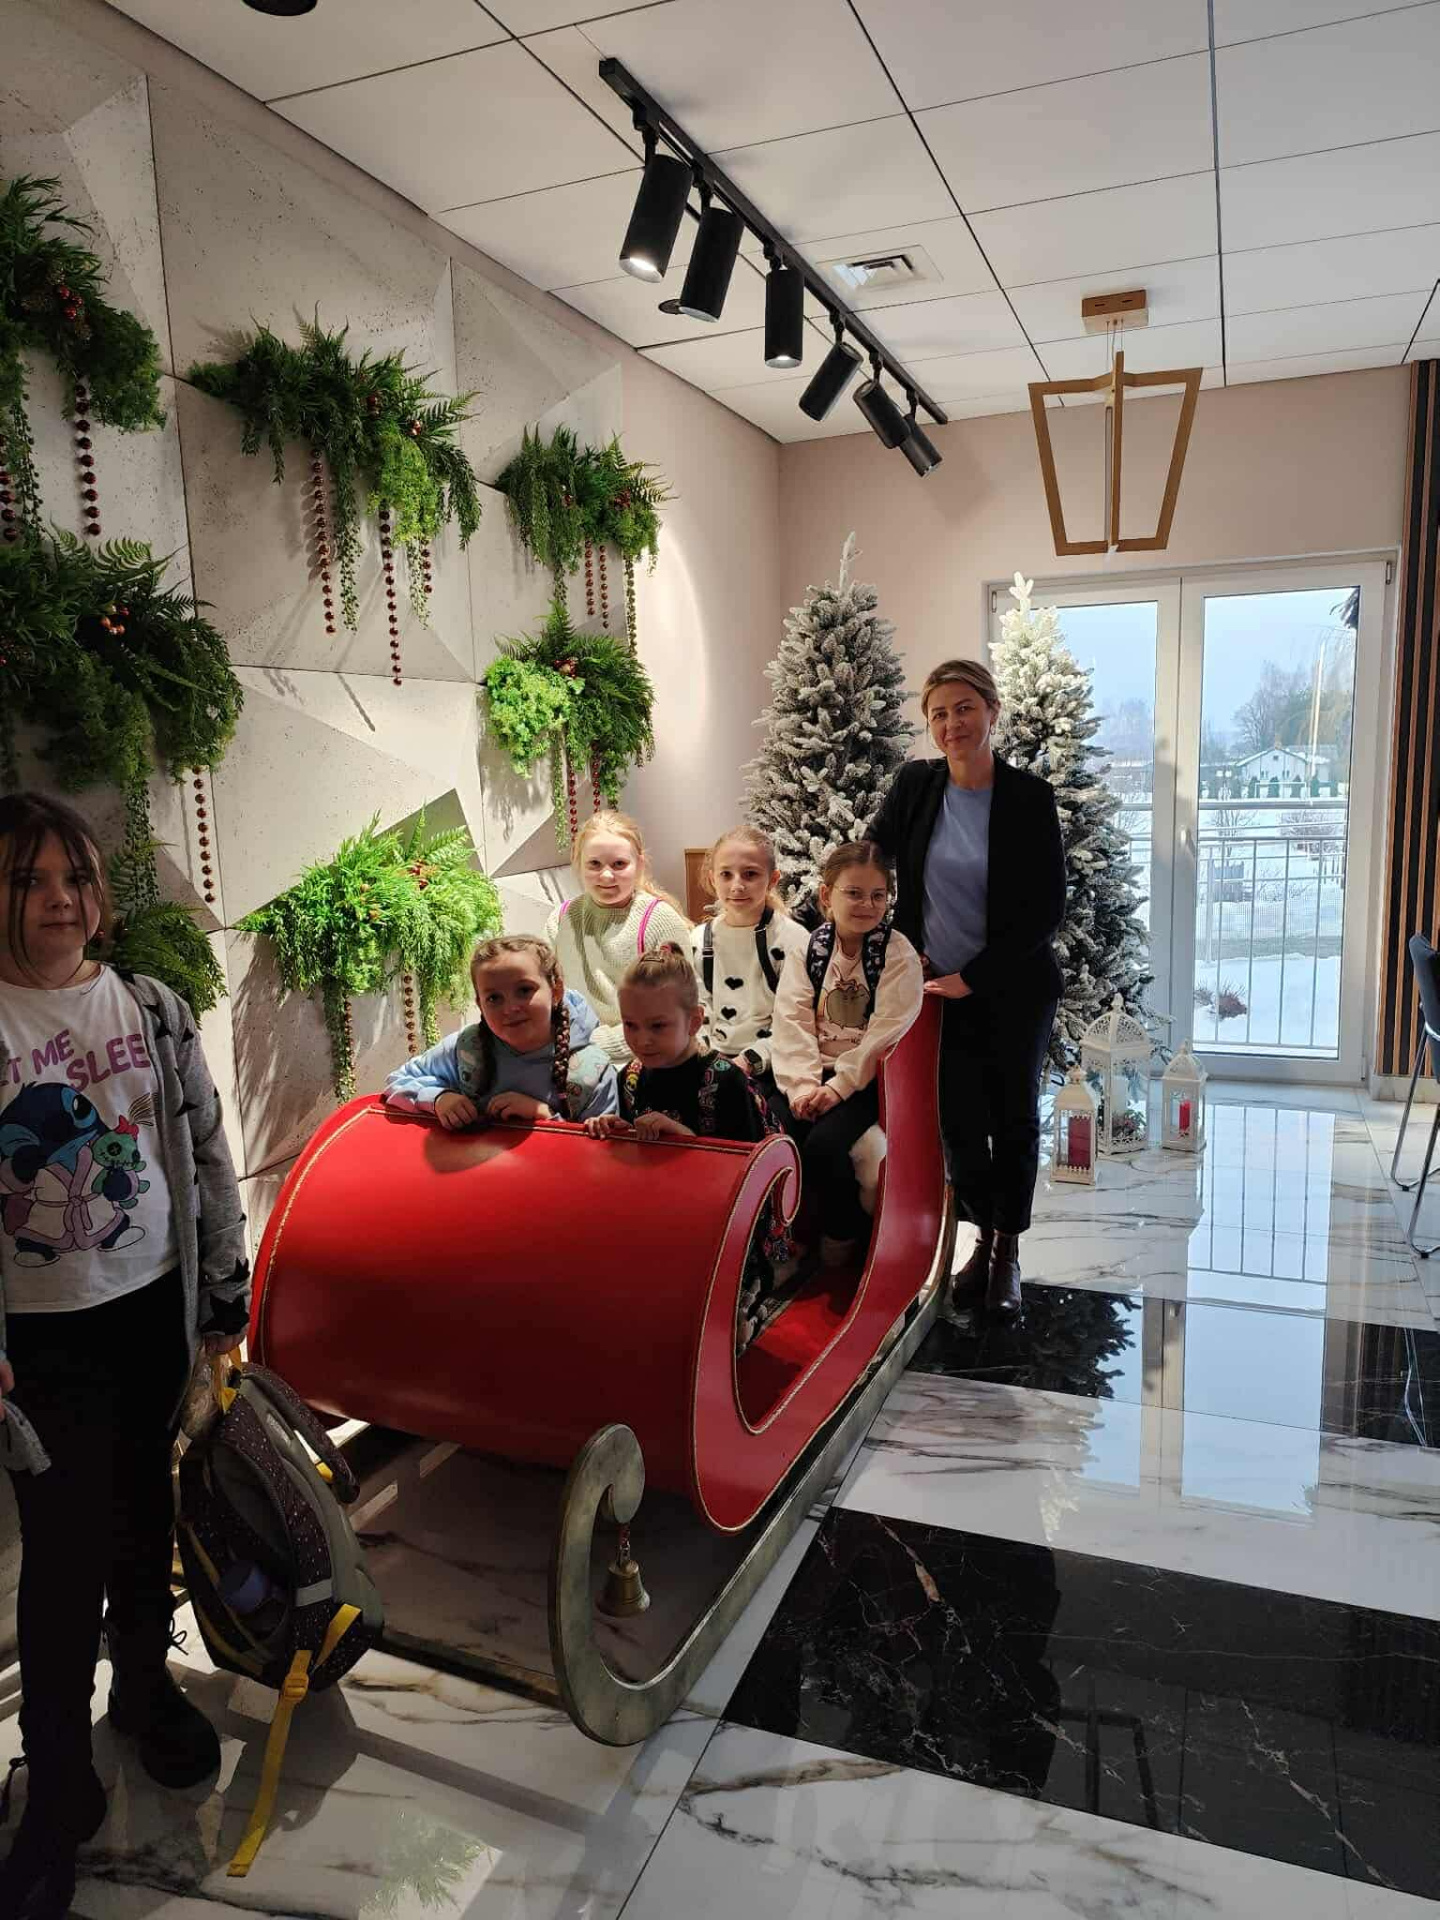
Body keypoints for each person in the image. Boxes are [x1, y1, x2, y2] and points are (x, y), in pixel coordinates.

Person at [0, 792, 249, 1920]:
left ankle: (143, 1692)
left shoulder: (150, 1006)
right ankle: (55, 1773)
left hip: (148, 1310)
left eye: (75, 879)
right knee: (59, 1557)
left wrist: (223, 1290)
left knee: (147, 1517)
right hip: (39, 1341)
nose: (59, 901)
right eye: (30, 882)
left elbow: (203, 1148)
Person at [870, 658, 1065, 1316]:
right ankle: (980, 1236)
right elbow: (874, 855)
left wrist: (973, 978)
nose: (951, 723)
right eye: (938, 714)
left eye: (964, 708)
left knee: (1012, 1121)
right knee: (956, 1124)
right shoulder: (916, 785)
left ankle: (1005, 1252)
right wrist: (841, 904)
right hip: (934, 990)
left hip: (1013, 987)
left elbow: (1046, 909)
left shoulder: (1028, 798)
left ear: (991, 711)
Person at [770, 842, 924, 1270]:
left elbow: (885, 1033)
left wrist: (838, 1088)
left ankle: (843, 1229)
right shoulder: (809, 950)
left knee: (824, 1144)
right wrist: (802, 1088)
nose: (866, 905)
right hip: (812, 1072)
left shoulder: (895, 954)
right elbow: (792, 1020)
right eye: (854, 893)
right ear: (827, 895)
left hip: (865, 1079)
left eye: (878, 895)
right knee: (773, 1128)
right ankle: (784, 1234)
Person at [384, 933, 618, 1127]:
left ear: (556, 992)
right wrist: (439, 1098)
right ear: (480, 1005)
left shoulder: (592, 1072)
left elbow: (603, 1153)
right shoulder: (467, 1049)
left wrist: (545, 1117)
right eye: (494, 998)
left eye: (524, 990)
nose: (510, 1008)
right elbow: (398, 1080)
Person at [584, 945, 771, 1146]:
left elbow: (752, 1160)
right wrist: (619, 1131)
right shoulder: (630, 1079)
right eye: (630, 1024)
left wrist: (684, 1140)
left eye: (658, 1025)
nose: (642, 1040)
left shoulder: (729, 1081)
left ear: (694, 1021)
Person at [545, 812, 691, 1068]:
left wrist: (589, 1045)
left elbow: (678, 1011)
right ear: (577, 863)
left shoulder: (660, 920)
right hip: (569, 1053)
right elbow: (545, 995)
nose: (606, 876)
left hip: (643, 1060)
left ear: (640, 864)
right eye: (594, 864)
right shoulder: (560, 919)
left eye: (619, 864)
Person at [689, 825, 808, 1107]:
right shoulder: (698, 940)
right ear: (712, 879)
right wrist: (706, 1057)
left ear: (773, 879)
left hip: (770, 1066)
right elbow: (695, 1009)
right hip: (709, 1061)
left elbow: (795, 1023)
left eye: (750, 874)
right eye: (726, 875)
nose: (737, 885)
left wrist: (748, 1061)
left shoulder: (793, 941)